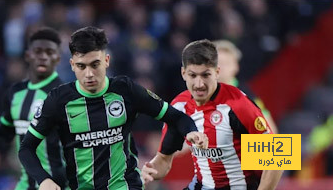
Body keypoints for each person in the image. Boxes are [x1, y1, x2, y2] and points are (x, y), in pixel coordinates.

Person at [18, 26, 208, 190]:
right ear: (72, 65)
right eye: (81, 66)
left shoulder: (126, 90)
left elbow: (176, 117)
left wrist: (191, 132)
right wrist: (43, 180)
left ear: (107, 60)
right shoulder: (58, 100)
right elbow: (26, 148)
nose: (89, 74)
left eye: (95, 64)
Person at [141, 39, 283, 190]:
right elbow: (163, 159)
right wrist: (150, 170)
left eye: (205, 75)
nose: (199, 84)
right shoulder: (179, 106)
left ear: (217, 72)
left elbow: (278, 155)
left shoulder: (240, 103)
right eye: (193, 75)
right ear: (183, 73)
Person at [0, 27, 68, 190]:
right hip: (24, 184)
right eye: (38, 51)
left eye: (49, 52)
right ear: (28, 55)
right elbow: (4, 136)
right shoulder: (16, 93)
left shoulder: (64, 95)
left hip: (56, 185)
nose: (43, 57)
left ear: (57, 58)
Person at [213, 39, 278, 134]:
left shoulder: (246, 96)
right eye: (216, 63)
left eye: (225, 63)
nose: (220, 67)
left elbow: (270, 132)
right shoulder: (196, 94)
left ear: (236, 67)